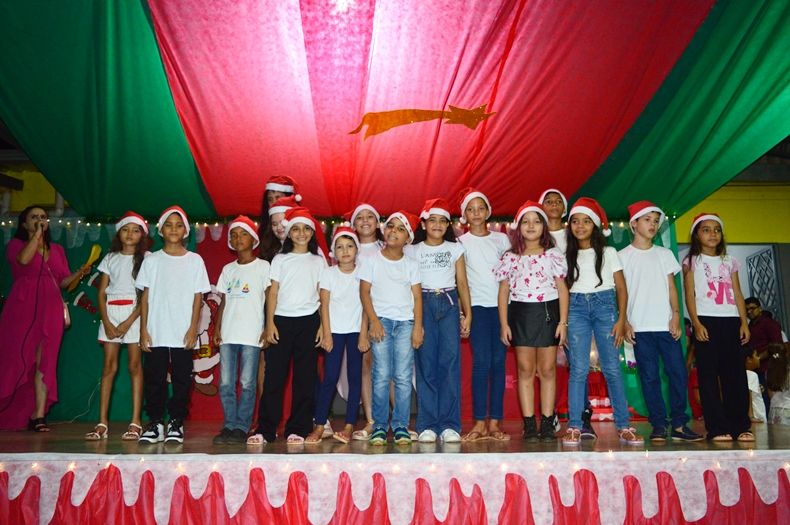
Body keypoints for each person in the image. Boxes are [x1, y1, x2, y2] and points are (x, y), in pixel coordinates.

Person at [561, 198, 643, 446]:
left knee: (612, 369)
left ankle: (624, 426)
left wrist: (622, 319)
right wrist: (564, 322)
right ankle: (575, 425)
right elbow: (562, 290)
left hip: (605, 306)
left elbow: (621, 287)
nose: (580, 226)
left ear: (595, 226)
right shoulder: (565, 255)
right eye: (575, 221)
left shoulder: (608, 253)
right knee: (578, 369)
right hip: (575, 308)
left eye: (586, 221)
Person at [619, 201, 702, 443]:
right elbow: (621, 293)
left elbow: (672, 288)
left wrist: (675, 315)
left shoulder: (664, 254)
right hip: (640, 328)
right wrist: (625, 322)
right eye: (647, 220)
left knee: (677, 373)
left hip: (666, 327)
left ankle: (679, 424)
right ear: (634, 224)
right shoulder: (622, 257)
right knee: (649, 377)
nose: (653, 224)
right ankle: (658, 424)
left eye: (656, 221)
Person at [0, 206, 89, 431]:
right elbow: (23, 260)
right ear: (24, 224)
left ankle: (38, 415)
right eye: (34, 217)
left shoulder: (57, 249)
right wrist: (37, 236)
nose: (40, 220)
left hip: (50, 309)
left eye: (43, 217)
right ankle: (9, 407)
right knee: (16, 359)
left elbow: (63, 282)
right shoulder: (16, 245)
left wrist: (79, 273)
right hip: (22, 308)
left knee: (46, 361)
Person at [247, 207, 327, 445]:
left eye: (306, 229)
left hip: (309, 322)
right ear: (289, 233)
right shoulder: (280, 259)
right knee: (274, 378)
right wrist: (270, 323)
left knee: (305, 378)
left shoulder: (318, 261)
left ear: (312, 233)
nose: (301, 233)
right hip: (281, 321)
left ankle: (299, 428)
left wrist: (323, 326)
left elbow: (323, 296)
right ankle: (266, 429)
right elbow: (272, 293)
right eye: (296, 229)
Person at [495, 201, 568, 442]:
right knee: (525, 370)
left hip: (548, 313)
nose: (531, 226)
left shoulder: (553, 255)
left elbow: (562, 290)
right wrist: (504, 324)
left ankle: (547, 422)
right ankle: (529, 424)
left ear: (544, 227)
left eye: (537, 221)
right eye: (525, 221)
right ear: (518, 227)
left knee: (547, 370)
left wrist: (563, 322)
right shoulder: (510, 257)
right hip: (521, 314)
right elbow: (503, 292)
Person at [136, 206, 210, 444]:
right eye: (169, 225)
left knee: (181, 379)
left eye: (179, 225)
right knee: (154, 378)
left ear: (186, 231)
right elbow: (145, 297)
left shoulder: (195, 261)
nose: (174, 229)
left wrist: (193, 328)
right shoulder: (152, 260)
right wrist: (143, 330)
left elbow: (198, 297)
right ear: (161, 230)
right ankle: (156, 422)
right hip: (156, 330)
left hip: (183, 331)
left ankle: (176, 422)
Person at [683, 213, 753, 442]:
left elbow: (738, 293)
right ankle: (717, 428)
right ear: (697, 235)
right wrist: (696, 323)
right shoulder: (692, 261)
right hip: (706, 321)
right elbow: (690, 295)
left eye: (716, 229)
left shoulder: (730, 261)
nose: (712, 234)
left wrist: (744, 322)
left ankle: (740, 425)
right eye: (706, 229)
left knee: (735, 375)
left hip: (731, 321)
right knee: (708, 377)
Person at [408, 198, 471, 444]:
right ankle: (427, 424)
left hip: (449, 302)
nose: (437, 225)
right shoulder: (413, 250)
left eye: (442, 221)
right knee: (425, 365)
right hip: (422, 303)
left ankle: (450, 424)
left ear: (448, 225)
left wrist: (467, 313)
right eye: (432, 220)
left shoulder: (455, 249)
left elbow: (462, 283)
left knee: (450, 363)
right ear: (423, 224)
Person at [358, 211, 423, 446]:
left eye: (400, 229)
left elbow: (417, 297)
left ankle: (401, 426)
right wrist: (373, 322)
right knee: (381, 375)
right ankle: (379, 426)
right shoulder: (371, 260)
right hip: (382, 323)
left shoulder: (411, 265)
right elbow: (364, 293)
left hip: (406, 323)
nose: (394, 231)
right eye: (391, 226)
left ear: (408, 238)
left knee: (403, 376)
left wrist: (417, 327)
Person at [86, 212, 150, 441]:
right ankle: (102, 422)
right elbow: (101, 293)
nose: (130, 234)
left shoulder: (146, 259)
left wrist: (129, 321)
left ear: (142, 235)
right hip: (111, 313)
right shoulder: (110, 258)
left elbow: (146, 295)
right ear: (119, 233)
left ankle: (135, 422)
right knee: (108, 368)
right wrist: (106, 321)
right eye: (125, 229)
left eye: (135, 230)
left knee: (135, 366)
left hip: (134, 314)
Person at [457, 188, 511, 441]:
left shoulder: (502, 240)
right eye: (471, 209)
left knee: (498, 363)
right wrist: (464, 313)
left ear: (488, 211)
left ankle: (495, 423)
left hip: (501, 308)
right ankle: (479, 422)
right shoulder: (460, 243)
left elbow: (510, 275)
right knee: (481, 363)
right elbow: (459, 282)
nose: (476, 213)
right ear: (464, 215)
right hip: (476, 308)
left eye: (481, 208)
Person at [212, 216, 271, 445]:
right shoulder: (228, 269)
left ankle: (242, 426)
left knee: (247, 383)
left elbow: (269, 300)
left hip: (251, 334)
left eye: (243, 234)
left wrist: (268, 327)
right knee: (226, 383)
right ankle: (229, 424)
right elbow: (224, 301)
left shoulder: (263, 267)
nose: (238, 239)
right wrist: (217, 328)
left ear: (253, 239)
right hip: (228, 334)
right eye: (234, 235)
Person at [306, 227, 364, 444]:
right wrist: (327, 333)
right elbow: (324, 305)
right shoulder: (328, 273)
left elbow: (367, 304)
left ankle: (349, 426)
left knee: (355, 377)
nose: (345, 251)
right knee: (329, 377)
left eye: (349, 246)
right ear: (333, 252)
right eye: (340, 247)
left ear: (356, 249)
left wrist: (364, 333)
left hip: (356, 331)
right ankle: (320, 425)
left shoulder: (363, 272)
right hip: (335, 331)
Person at [349, 203, 384, 441]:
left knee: (387, 367)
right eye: (359, 217)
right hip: (354, 314)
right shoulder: (348, 247)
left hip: (383, 312)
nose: (365, 221)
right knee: (365, 365)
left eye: (369, 216)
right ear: (353, 224)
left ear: (378, 222)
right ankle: (371, 420)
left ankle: (395, 420)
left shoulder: (386, 246)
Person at [745, 296, 783, 411]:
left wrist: (759, 358)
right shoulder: (749, 326)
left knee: (771, 400)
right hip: (755, 368)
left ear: (760, 308)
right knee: (761, 400)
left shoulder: (768, 323)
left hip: (769, 367)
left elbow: (777, 345)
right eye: (747, 310)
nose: (749, 312)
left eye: (752, 308)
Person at [258, 176, 300, 262]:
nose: (274, 203)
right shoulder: (264, 229)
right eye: (270, 199)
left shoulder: (302, 224)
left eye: (278, 198)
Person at [538, 188, 569, 254]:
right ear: (541, 208)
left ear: (564, 209)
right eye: (548, 201)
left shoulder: (572, 234)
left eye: (559, 201)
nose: (554, 204)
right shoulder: (536, 235)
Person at [766, 343, 790, 425]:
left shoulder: (768, 372)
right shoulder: (788, 371)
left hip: (774, 408)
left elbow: (770, 395)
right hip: (788, 408)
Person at [745, 348, 767, 423]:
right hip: (756, 416)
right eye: (756, 355)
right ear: (749, 359)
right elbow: (749, 393)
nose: (758, 358)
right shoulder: (752, 375)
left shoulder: (743, 375)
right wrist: (751, 416)